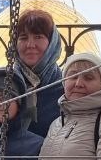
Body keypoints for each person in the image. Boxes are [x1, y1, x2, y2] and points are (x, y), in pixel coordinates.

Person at [13, 9, 65, 137]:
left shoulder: (66, 87)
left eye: (38, 37)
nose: (30, 45)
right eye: (23, 38)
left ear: (52, 43)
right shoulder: (4, 84)